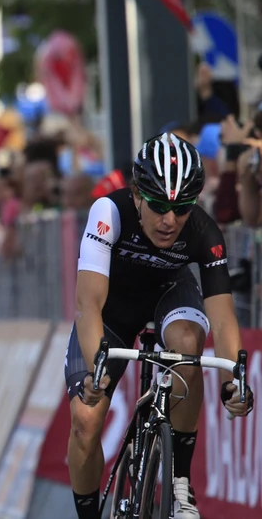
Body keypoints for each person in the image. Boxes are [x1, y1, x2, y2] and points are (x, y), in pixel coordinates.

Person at [65, 133, 255, 519]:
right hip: (112, 309)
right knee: (86, 420)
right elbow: (89, 304)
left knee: (187, 345)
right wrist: (95, 368)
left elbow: (222, 316)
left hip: (170, 292)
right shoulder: (108, 211)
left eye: (183, 208)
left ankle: (179, 486)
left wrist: (234, 382)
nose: (170, 221)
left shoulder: (203, 231)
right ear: (136, 194)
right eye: (158, 206)